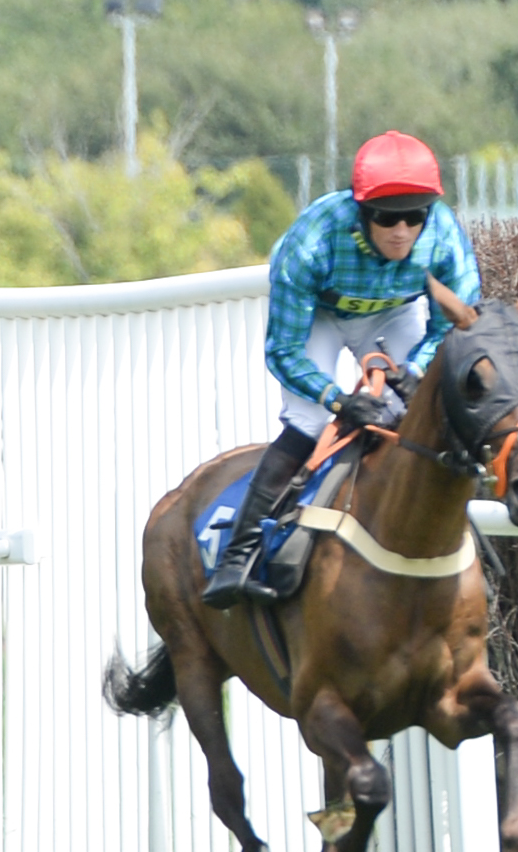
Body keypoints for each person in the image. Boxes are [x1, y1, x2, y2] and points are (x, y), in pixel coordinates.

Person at [202, 129, 482, 609]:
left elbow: (455, 327)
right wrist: (338, 399)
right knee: (310, 423)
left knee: (416, 414)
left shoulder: (445, 237)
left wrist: (415, 368)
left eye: (415, 217)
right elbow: (285, 351)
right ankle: (240, 553)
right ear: (361, 211)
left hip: (396, 312)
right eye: (387, 218)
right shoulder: (311, 242)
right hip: (322, 315)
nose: (402, 231)